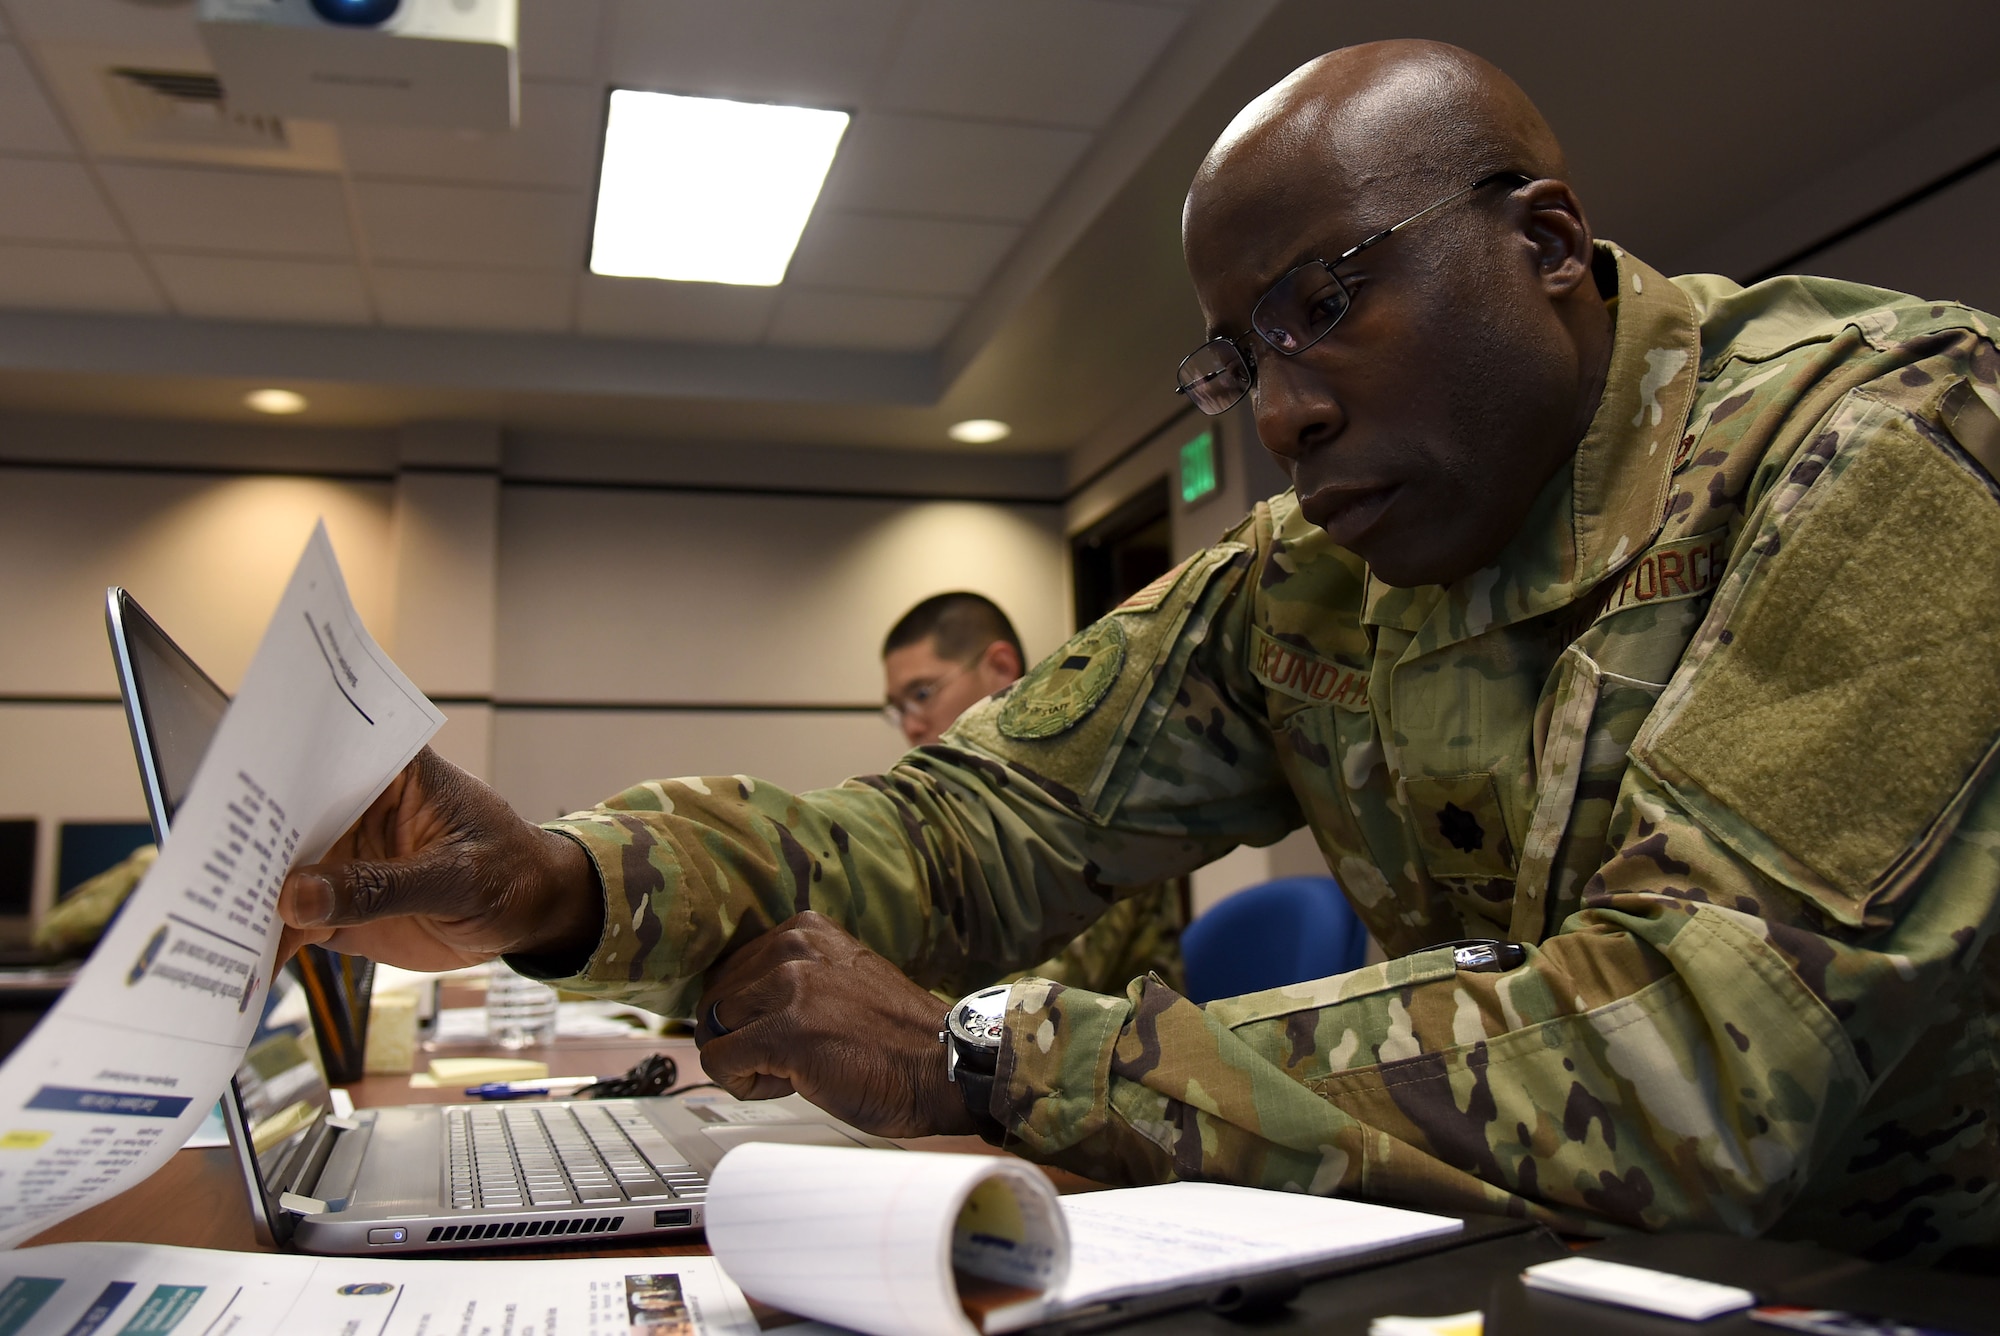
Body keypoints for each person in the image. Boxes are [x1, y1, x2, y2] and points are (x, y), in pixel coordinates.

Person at [275, 40, 2000, 1267]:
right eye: (1240, 359)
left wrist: (987, 1054)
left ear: (1547, 244)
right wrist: (574, 883)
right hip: (1554, 1278)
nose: (1285, 415)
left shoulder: (1902, 449)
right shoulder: (1302, 582)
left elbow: (1690, 1062)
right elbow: (962, 827)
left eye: (1328, 301)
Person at [881, 592, 1184, 994]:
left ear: (1001, 668)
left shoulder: (1084, 789)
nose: (911, 727)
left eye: (921, 695)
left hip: (1119, 1048)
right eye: (898, 708)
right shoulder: (970, 808)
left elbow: (1034, 996)